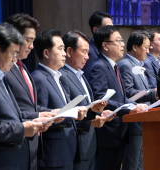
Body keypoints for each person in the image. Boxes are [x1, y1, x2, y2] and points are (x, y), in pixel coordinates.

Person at [0, 22, 53, 170]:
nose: (15, 59)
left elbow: (10, 116)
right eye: (13, 53)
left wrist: (34, 121)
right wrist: (21, 129)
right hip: (1, 162)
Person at [4, 13, 62, 170]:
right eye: (28, 40)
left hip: (33, 146)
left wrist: (51, 112)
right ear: (13, 37)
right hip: (15, 146)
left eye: (33, 41)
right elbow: (10, 112)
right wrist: (38, 116)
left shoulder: (23, 67)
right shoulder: (4, 70)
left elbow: (31, 106)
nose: (31, 46)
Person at [87, 25, 147, 170]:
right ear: (105, 45)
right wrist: (127, 109)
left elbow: (121, 97)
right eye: (118, 41)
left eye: (122, 40)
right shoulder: (99, 66)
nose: (122, 44)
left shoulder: (113, 66)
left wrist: (134, 105)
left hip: (119, 131)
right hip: (108, 133)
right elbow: (100, 98)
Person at [31, 29, 88, 170]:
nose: (64, 54)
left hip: (67, 150)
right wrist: (69, 115)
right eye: (60, 49)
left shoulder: (58, 76)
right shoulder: (39, 78)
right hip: (53, 155)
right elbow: (39, 115)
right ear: (46, 53)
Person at [60, 30, 114, 170]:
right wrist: (90, 122)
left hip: (89, 146)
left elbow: (86, 108)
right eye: (83, 52)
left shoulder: (80, 74)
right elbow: (63, 114)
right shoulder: (62, 76)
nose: (87, 57)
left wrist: (98, 113)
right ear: (69, 51)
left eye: (88, 53)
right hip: (76, 147)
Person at [118, 30, 157, 170]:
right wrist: (153, 93)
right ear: (135, 47)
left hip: (142, 122)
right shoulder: (125, 65)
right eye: (146, 47)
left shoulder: (139, 65)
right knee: (132, 164)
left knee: (140, 165)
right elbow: (128, 93)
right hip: (133, 124)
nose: (148, 51)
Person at [82, 11, 113, 78]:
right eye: (108, 28)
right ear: (95, 30)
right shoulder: (89, 52)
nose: (112, 32)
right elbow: (89, 80)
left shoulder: (108, 51)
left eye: (112, 28)